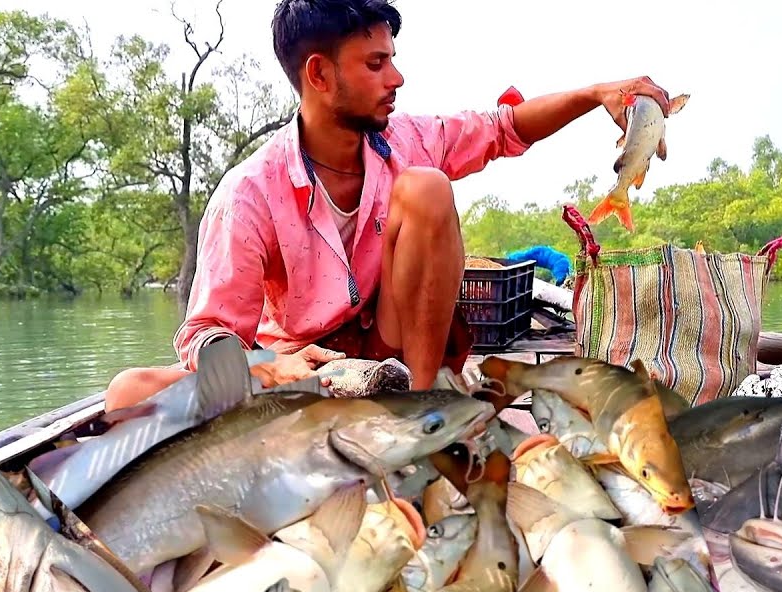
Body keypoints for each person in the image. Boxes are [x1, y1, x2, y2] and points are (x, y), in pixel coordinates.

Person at [104, 0, 674, 412]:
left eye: (392, 60)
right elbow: (208, 331)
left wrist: (596, 94)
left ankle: (422, 407)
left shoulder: (405, 141)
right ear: (319, 74)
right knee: (128, 392)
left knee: (426, 187)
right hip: (309, 366)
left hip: (400, 347)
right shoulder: (249, 192)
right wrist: (266, 367)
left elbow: (504, 127)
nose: (396, 78)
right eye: (375, 64)